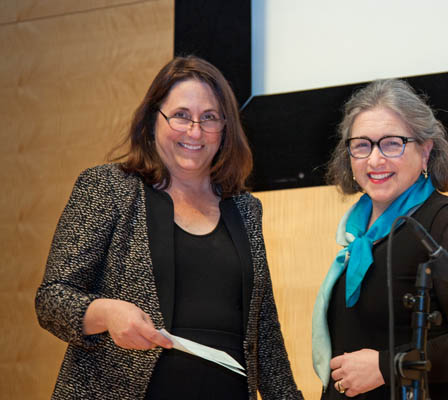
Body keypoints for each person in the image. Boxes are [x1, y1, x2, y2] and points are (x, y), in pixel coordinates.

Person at [35, 55, 303, 400]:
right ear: (152, 119)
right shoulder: (108, 188)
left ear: (225, 128)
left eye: (209, 117)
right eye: (181, 115)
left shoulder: (245, 209)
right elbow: (52, 299)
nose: (195, 131)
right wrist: (106, 313)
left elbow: (263, 331)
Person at [312, 79, 448, 399]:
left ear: (425, 151)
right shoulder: (356, 235)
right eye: (362, 145)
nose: (375, 160)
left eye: (392, 143)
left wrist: (387, 366)